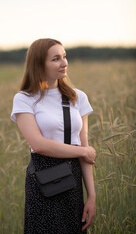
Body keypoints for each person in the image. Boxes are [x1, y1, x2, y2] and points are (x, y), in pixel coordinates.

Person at [11, 38, 96, 234]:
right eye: (56, 59)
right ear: (39, 63)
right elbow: (38, 144)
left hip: (73, 180)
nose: (64, 63)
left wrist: (91, 195)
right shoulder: (25, 98)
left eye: (64, 57)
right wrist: (83, 151)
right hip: (42, 180)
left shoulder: (78, 97)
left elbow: (85, 150)